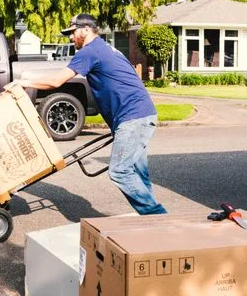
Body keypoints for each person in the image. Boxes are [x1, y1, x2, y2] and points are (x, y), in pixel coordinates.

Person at [16, 13, 166, 215]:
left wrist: (24, 82)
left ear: (86, 30)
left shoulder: (90, 51)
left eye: (72, 32)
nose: (70, 38)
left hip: (133, 117)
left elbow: (56, 81)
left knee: (120, 171)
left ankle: (157, 216)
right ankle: (153, 221)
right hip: (139, 114)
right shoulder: (105, 48)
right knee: (138, 172)